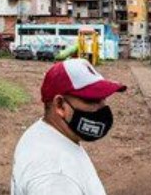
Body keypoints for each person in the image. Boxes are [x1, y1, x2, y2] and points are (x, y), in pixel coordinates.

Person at [11, 58, 126, 195]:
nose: (102, 108)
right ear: (59, 105)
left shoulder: (44, 132)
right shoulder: (56, 178)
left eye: (103, 98)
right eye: (92, 100)